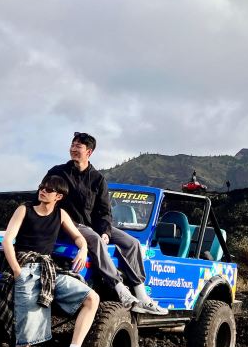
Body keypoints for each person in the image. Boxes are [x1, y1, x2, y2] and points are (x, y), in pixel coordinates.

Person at [46, 132, 167, 315]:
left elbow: (104, 211)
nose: (73, 149)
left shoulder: (97, 179)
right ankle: (120, 288)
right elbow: (43, 195)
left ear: (89, 152)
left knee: (131, 243)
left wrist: (106, 232)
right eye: (72, 145)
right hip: (65, 223)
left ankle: (142, 295)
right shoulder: (58, 172)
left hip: (91, 225)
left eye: (78, 146)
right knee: (94, 239)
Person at [1, 174, 99, 347]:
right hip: (26, 270)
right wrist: (17, 271)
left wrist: (83, 249)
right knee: (25, 340)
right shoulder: (24, 209)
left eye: (48, 189)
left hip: (48, 271)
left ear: (59, 197)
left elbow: (79, 237)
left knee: (92, 298)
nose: (43, 191)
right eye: (42, 187)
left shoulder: (60, 214)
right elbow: (7, 240)